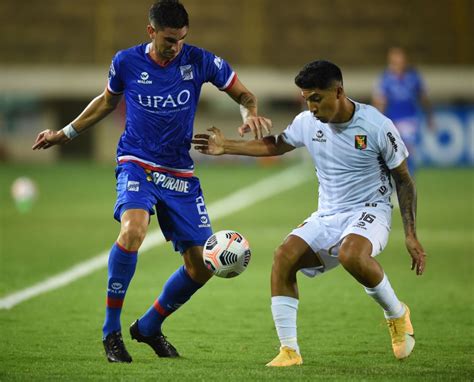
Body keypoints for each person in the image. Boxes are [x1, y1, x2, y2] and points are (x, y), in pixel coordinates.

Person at [32, 0, 271, 363]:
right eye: (168, 40)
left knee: (203, 266)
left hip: (179, 173)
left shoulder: (200, 60)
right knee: (133, 230)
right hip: (137, 163)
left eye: (180, 40)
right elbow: (106, 102)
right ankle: (111, 332)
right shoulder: (126, 61)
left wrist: (250, 114)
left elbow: (244, 95)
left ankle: (148, 327)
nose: (175, 47)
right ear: (151, 32)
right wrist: (65, 133)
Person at [193, 60, 427, 367]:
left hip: (371, 210)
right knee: (283, 257)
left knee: (352, 255)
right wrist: (227, 147)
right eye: (306, 99)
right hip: (328, 213)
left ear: (338, 92)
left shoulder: (376, 126)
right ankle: (289, 350)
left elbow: (404, 180)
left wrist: (410, 234)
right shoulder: (307, 122)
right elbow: (276, 146)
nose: (311, 106)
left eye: (316, 97)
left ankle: (396, 313)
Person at [372, 47, 434, 176]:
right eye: (395, 60)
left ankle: (408, 181)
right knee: (392, 152)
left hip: (409, 119)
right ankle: (397, 182)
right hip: (392, 120)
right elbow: (379, 101)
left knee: (406, 150)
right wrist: (377, 121)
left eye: (401, 60)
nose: (398, 63)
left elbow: (423, 97)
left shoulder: (413, 77)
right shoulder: (385, 78)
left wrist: (430, 117)